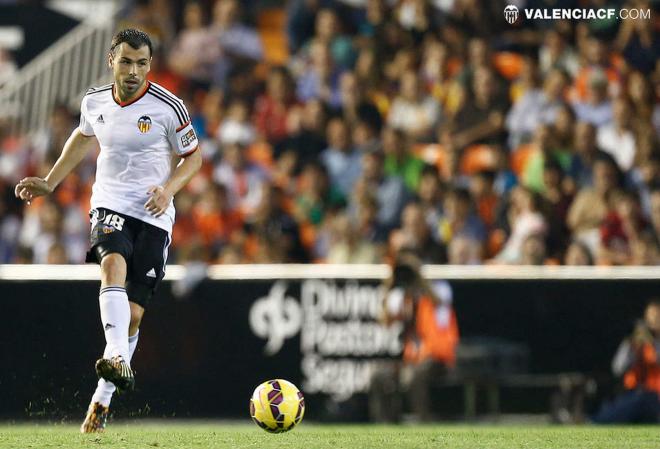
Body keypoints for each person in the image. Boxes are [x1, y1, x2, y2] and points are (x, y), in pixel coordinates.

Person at [13, 29, 202, 432]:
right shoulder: (94, 101)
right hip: (109, 203)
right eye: (126, 61)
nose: (133, 71)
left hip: (153, 214)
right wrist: (50, 181)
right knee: (111, 262)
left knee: (133, 316)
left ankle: (102, 396)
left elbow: (194, 158)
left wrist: (169, 190)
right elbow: (82, 138)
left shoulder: (170, 107)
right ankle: (117, 357)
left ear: (150, 65)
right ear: (110, 60)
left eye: (141, 63)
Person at [369, 250, 459, 422]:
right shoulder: (402, 295)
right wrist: (390, 284)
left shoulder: (440, 287)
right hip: (413, 357)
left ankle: (423, 421)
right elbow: (384, 320)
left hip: (438, 355)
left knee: (415, 375)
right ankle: (386, 426)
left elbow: (438, 302)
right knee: (378, 375)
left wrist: (419, 276)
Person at [593, 300, 660, 423]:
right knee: (603, 418)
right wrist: (631, 344)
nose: (652, 320)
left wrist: (651, 344)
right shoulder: (635, 343)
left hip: (655, 397)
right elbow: (617, 368)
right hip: (636, 395)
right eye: (650, 316)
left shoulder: (654, 344)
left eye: (656, 316)